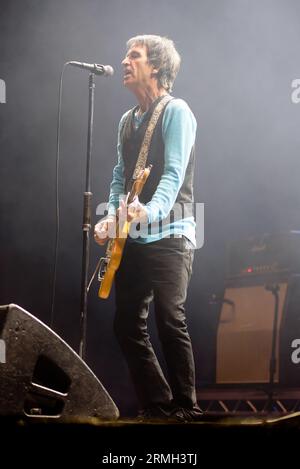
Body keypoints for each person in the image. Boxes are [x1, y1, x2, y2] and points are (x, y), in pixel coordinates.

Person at [94, 35, 201, 422]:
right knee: (126, 324)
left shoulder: (177, 111)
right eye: (125, 54)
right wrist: (112, 215)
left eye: (133, 56)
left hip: (173, 231)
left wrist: (149, 211)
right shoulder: (127, 121)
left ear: (156, 67)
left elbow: (173, 173)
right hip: (135, 234)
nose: (124, 61)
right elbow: (120, 177)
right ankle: (158, 404)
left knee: (171, 316)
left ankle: (186, 408)